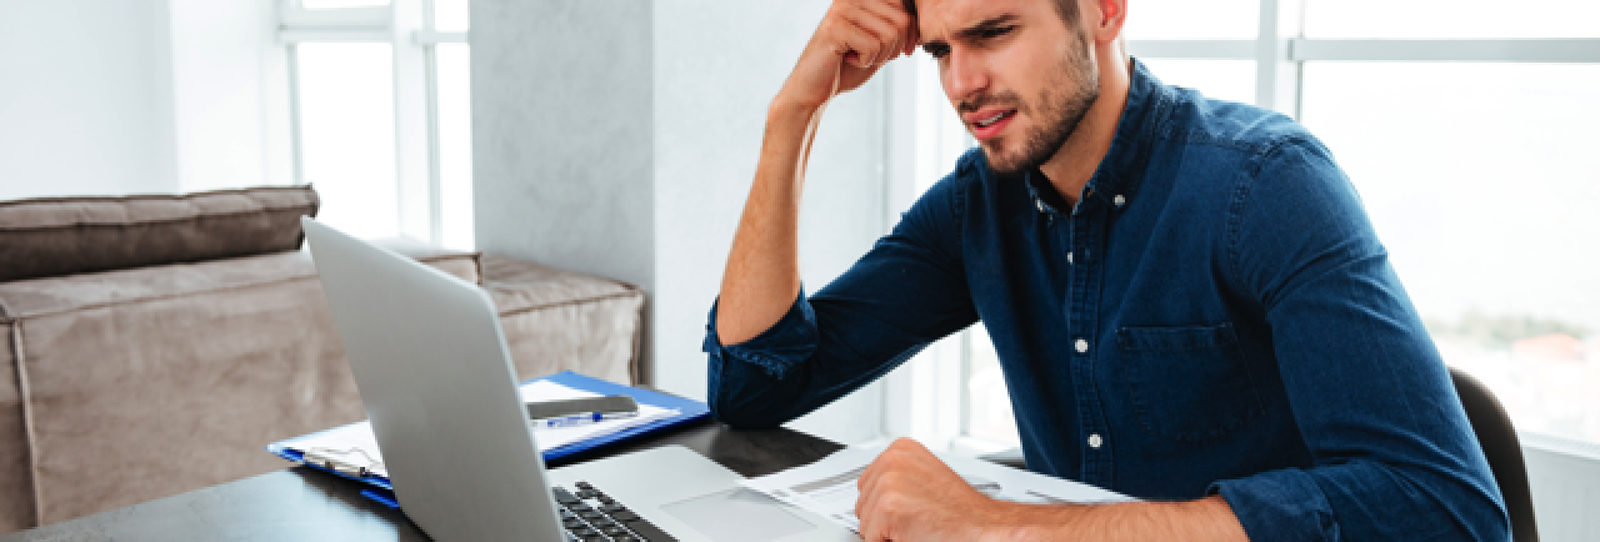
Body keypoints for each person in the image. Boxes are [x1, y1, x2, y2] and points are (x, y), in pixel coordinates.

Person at [703, 0, 1509, 539]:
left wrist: (999, 528)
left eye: (993, 32)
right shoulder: (977, 206)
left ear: (1103, 10)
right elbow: (754, 384)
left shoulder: (1265, 183)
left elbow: (1443, 509)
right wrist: (793, 117)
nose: (960, 83)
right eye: (942, 49)